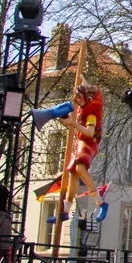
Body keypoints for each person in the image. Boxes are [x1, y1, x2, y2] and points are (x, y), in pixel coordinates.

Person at [51, 83, 109, 222]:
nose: (75, 99)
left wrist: (73, 124)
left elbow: (89, 132)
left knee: (79, 168)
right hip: (81, 144)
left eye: (78, 96)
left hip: (89, 145)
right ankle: (65, 210)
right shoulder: (82, 110)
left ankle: (100, 201)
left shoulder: (91, 115)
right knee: (72, 173)